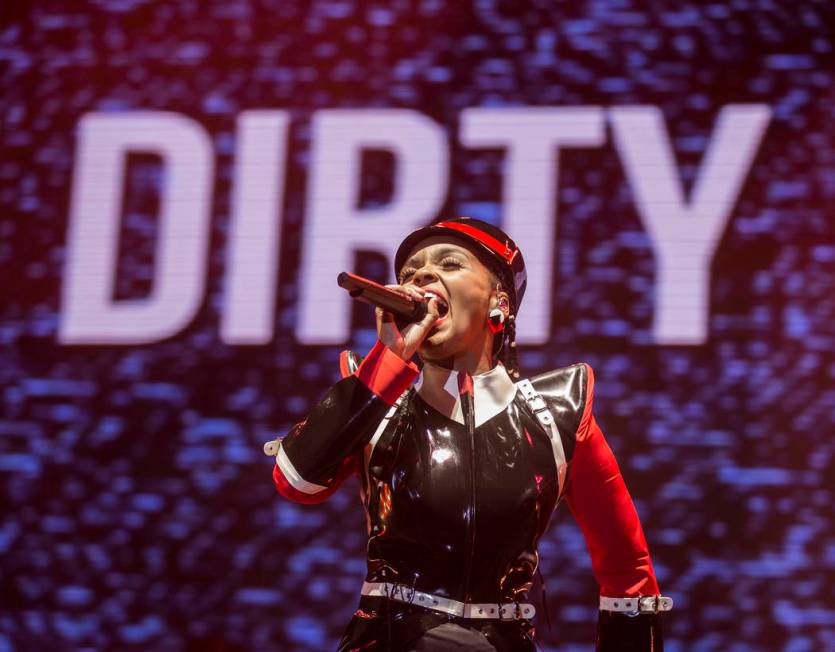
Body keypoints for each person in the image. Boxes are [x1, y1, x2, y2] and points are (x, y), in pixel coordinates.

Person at [265, 218, 672, 650]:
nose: (420, 276)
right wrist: (388, 362)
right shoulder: (374, 400)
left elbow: (628, 572)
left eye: (450, 263)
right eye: (409, 272)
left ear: (500, 300)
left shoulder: (559, 413)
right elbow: (297, 484)